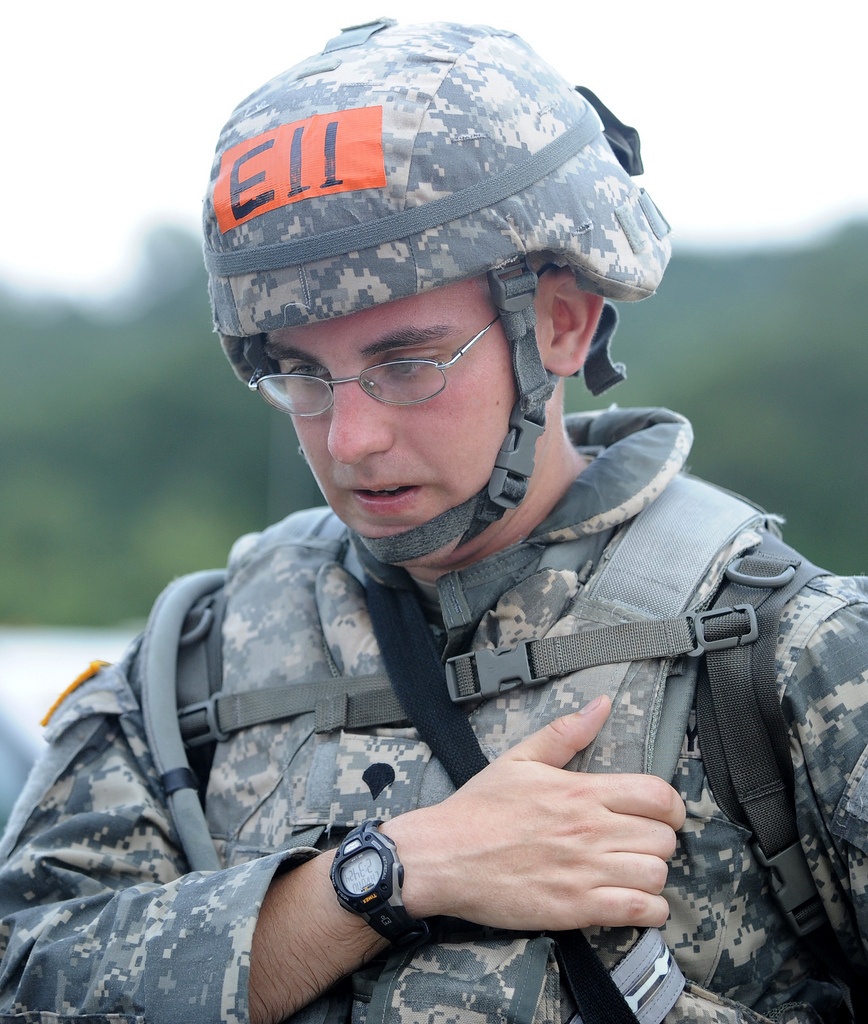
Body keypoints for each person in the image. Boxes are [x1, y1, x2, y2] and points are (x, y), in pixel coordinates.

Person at [0, 18, 865, 1024]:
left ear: (562, 321)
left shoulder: (788, 655)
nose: (351, 438)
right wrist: (383, 877)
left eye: (407, 364)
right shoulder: (190, 668)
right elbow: (28, 975)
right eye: (302, 376)